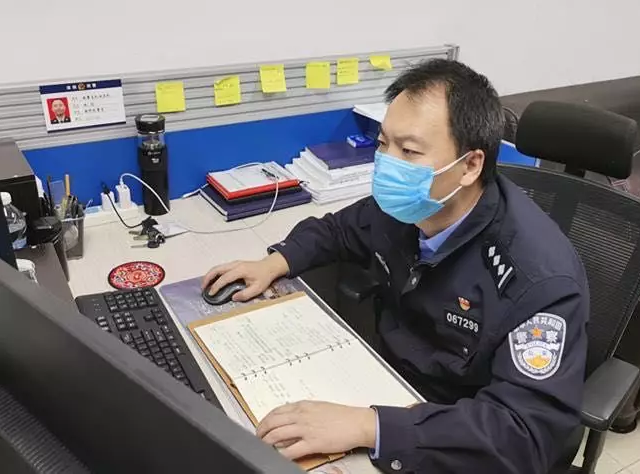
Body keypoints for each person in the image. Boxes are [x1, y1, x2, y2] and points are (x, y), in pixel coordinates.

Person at [203, 59, 589, 473]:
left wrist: (372, 427)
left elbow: (523, 434)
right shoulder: (412, 206)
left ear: (470, 166)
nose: (387, 163)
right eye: (384, 143)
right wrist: (276, 261)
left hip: (454, 438)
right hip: (385, 388)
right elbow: (339, 229)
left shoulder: (536, 278)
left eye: (409, 151)